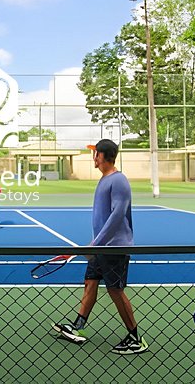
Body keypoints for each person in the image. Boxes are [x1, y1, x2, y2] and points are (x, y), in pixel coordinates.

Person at [52, 139, 148, 355]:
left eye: (96, 154)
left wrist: (95, 245)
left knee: (115, 291)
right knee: (90, 282)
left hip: (114, 249)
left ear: (104, 156)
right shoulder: (105, 180)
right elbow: (104, 221)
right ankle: (77, 326)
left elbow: (116, 217)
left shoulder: (119, 180)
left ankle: (135, 338)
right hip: (101, 247)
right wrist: (92, 245)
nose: (93, 158)